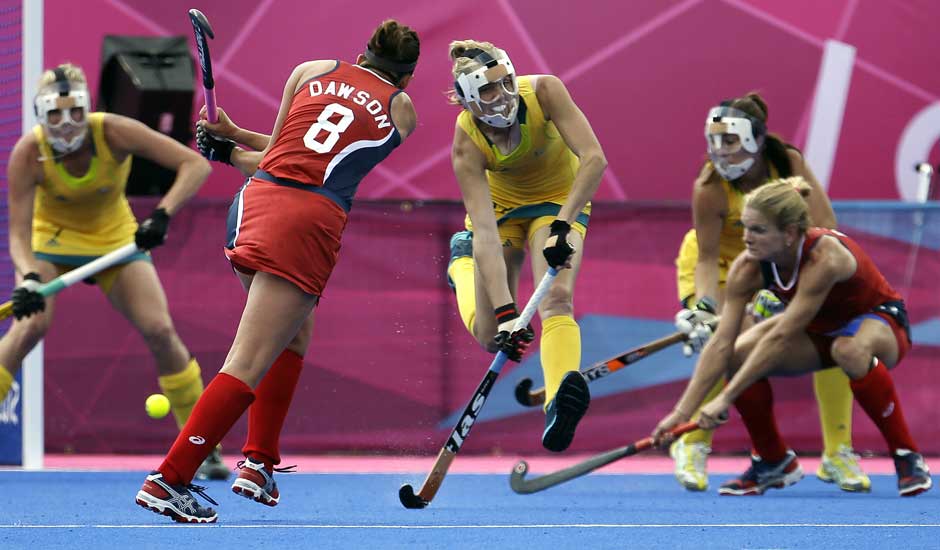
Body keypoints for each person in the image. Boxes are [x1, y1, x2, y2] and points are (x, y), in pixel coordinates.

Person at [134, 20, 420, 523]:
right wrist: (230, 147)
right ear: (408, 75)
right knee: (248, 358)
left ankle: (259, 462)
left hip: (252, 206)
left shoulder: (310, 69)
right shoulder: (402, 110)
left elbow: (282, 152)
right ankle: (170, 478)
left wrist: (227, 146)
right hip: (304, 221)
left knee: (291, 335)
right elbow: (312, 159)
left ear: (361, 50)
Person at [2, 63, 224, 478]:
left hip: (116, 242)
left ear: (88, 108)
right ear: (40, 114)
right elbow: (17, 235)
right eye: (54, 114)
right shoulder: (27, 154)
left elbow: (196, 166)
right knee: (29, 327)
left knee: (160, 330)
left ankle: (203, 445)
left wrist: (161, 215)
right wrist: (29, 277)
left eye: (75, 112)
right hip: (51, 243)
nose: (66, 124)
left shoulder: (113, 131)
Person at [654, 178, 932, 497]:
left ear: (788, 234)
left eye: (758, 230)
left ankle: (907, 457)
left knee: (849, 349)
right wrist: (679, 414)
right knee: (736, 354)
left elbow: (782, 336)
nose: (747, 239)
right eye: (745, 228)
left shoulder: (824, 258)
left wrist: (725, 399)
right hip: (817, 329)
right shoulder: (747, 268)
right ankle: (773, 461)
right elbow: (720, 343)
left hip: (879, 324)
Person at [669, 93, 869, 493]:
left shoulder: (787, 164)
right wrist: (704, 306)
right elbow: (707, 258)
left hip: (777, 265)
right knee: (724, 339)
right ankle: (691, 443)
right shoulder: (708, 186)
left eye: (731, 141)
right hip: (723, 268)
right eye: (714, 142)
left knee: (832, 333)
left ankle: (837, 452)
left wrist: (779, 284)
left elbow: (825, 225)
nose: (720, 152)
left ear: (757, 141)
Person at [445, 40, 607, 453]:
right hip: (499, 216)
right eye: (488, 90)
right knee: (487, 336)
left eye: (506, 83)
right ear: (466, 99)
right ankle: (460, 268)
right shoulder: (466, 142)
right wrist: (505, 316)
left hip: (557, 205)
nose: (502, 96)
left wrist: (561, 225)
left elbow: (593, 159)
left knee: (557, 296)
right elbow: (483, 231)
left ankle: (557, 402)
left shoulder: (546, 92)